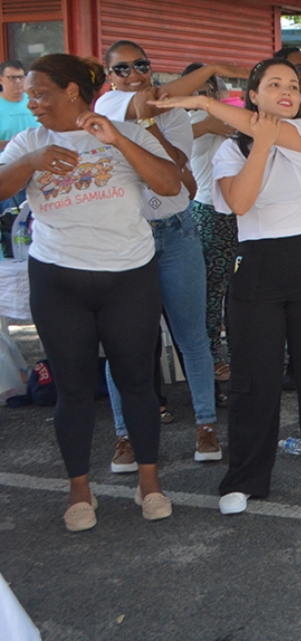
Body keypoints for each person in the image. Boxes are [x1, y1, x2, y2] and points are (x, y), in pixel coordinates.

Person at [151, 58, 301, 515]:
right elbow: (240, 203)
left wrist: (206, 102)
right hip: (256, 266)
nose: (286, 91)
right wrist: (259, 146)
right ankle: (246, 477)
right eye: (274, 84)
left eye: (292, 84)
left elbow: (266, 129)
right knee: (254, 379)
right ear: (253, 95)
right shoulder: (230, 149)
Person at [0, 54, 183, 530]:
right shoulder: (28, 141)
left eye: (40, 94)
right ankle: (79, 491)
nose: (31, 103)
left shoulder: (125, 132)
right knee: (74, 389)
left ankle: (149, 483)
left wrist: (118, 139)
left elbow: (172, 185)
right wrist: (32, 162)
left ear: (71, 92)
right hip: (58, 280)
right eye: (29, 95)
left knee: (137, 382)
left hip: (129, 277)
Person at [94, 41, 249, 470]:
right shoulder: (107, 106)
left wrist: (151, 126)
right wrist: (212, 66)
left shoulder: (175, 113)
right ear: (109, 77)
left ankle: (205, 425)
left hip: (178, 231)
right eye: (122, 68)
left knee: (193, 336)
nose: (133, 74)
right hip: (130, 234)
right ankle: (124, 435)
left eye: (140, 65)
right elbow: (146, 104)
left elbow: (178, 166)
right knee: (125, 344)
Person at [184, 64, 240, 383]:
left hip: (234, 209)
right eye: (200, 91)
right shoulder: (197, 120)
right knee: (213, 291)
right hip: (210, 213)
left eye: (211, 89)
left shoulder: (217, 118)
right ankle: (212, 357)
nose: (207, 95)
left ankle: (232, 352)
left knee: (234, 288)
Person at [0, 60, 37, 147]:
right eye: (12, 78)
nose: (17, 81)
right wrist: (14, 145)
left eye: (21, 77)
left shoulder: (36, 101)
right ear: (1, 80)